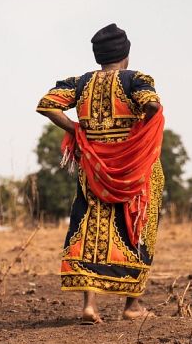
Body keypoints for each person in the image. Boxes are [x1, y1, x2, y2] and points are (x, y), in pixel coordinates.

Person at [36, 23, 164, 323]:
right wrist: (134, 135)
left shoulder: (80, 83)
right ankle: (132, 307)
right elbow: (152, 106)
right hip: (135, 170)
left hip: (93, 168)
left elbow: (47, 105)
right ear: (126, 56)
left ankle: (89, 306)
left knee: (90, 225)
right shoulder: (137, 79)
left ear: (98, 57)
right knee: (138, 226)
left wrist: (79, 129)